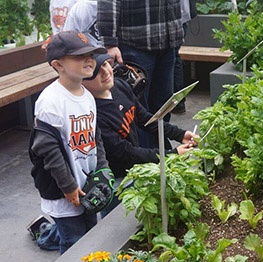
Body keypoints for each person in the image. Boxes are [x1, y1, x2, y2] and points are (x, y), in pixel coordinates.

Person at [81, 53, 198, 216]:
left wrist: (180, 134)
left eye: (106, 64)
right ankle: (46, 231)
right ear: (82, 80)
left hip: (132, 170)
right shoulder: (94, 115)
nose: (106, 72)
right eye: (96, 72)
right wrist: (172, 154)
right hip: (113, 179)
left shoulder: (120, 86)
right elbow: (126, 152)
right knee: (114, 223)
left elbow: (144, 118)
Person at [27, 30, 109, 254]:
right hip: (63, 189)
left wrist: (102, 167)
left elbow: (95, 135)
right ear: (58, 64)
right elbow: (47, 149)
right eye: (79, 56)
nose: (89, 60)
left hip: (87, 184)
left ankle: (44, 233)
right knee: (74, 242)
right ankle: (47, 235)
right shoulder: (50, 101)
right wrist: (68, 186)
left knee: (89, 233)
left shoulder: (88, 95)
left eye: (91, 54)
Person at [97, 0, 184, 148]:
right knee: (137, 109)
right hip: (136, 44)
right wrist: (110, 43)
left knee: (164, 104)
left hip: (168, 43)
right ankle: (144, 159)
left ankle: (161, 149)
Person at [172, 0, 197, 114]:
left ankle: (177, 103)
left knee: (174, 58)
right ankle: (178, 103)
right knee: (175, 58)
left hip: (176, 18)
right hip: (181, 17)